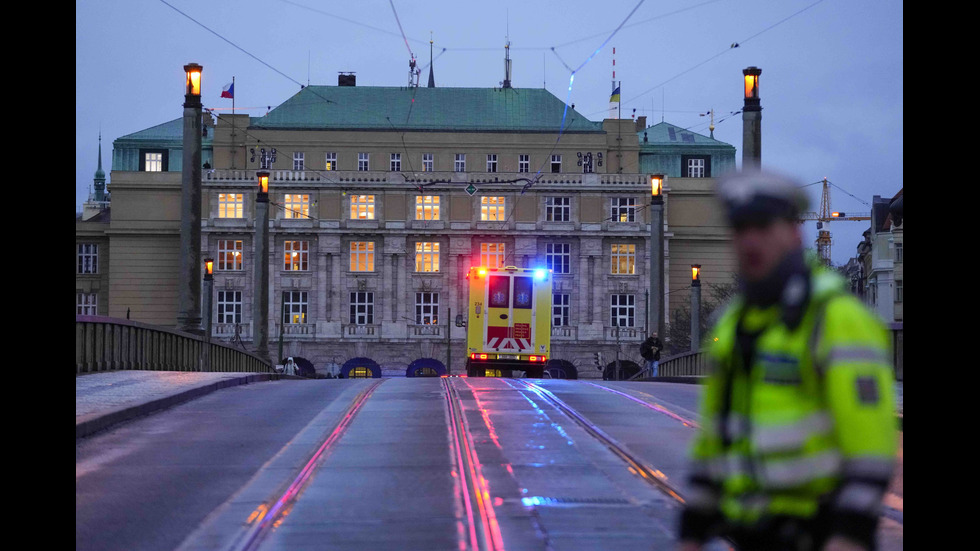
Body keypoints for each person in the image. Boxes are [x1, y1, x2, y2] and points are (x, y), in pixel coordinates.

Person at [678, 170, 897, 551]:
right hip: (747, 531)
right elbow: (715, 439)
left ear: (794, 232)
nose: (750, 240)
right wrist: (692, 530)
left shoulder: (836, 318)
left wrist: (850, 536)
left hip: (817, 530)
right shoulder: (733, 324)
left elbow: (871, 444)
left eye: (763, 226)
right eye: (741, 228)